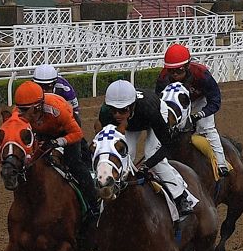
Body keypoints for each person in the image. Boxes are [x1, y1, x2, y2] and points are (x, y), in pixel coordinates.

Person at [12, 81, 99, 247]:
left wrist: (59, 142)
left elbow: (77, 133)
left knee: (75, 165)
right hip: (43, 132)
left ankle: (93, 206)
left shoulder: (58, 109)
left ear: (37, 107)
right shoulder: (21, 111)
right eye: (19, 109)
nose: (20, 114)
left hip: (65, 132)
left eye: (24, 111)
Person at [98, 79, 198, 220]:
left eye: (122, 110)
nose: (117, 115)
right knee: (126, 155)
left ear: (132, 106)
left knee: (151, 154)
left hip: (155, 116)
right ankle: (113, 190)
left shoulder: (148, 109)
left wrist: (146, 166)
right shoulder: (106, 114)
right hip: (133, 123)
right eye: (113, 110)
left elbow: (168, 144)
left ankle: (181, 197)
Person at [156, 44, 229, 177]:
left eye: (179, 71)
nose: (175, 75)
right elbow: (158, 101)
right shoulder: (163, 78)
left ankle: (221, 163)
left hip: (198, 101)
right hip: (176, 104)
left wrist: (200, 114)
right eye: (171, 72)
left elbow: (215, 101)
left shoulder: (202, 75)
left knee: (206, 127)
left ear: (188, 66)